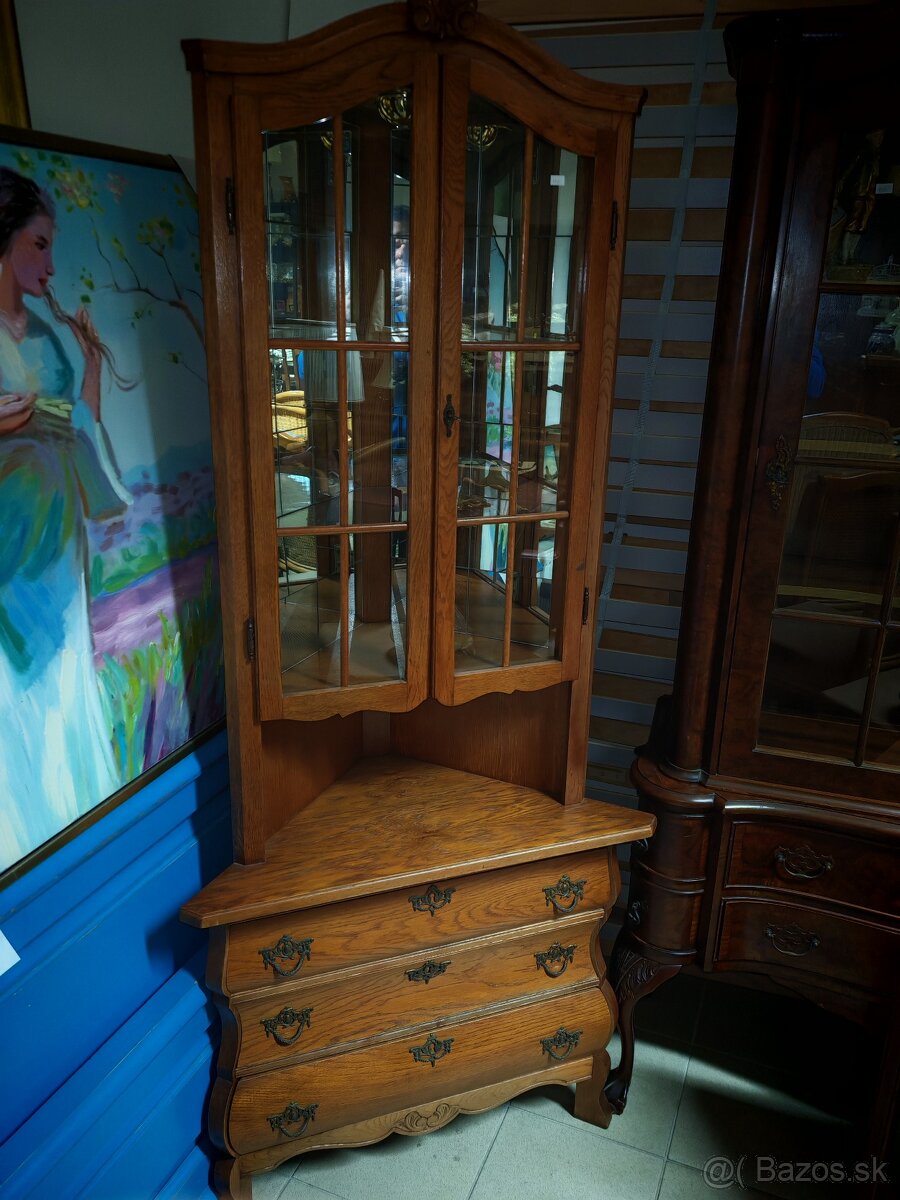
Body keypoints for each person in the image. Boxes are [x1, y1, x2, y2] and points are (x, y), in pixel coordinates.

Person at [0, 167, 131, 870]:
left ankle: (80, 822)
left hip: (58, 538)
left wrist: (88, 365)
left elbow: (73, 423)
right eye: (40, 244)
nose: (51, 266)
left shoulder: (46, 338)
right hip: (8, 538)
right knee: (14, 689)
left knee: (66, 678)